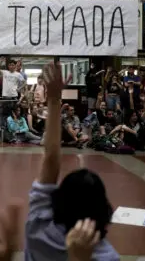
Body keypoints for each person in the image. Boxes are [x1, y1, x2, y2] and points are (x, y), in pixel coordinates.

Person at [25, 62, 119, 260]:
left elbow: (50, 159)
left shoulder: (39, 228)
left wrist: (53, 98)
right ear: (104, 209)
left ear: (59, 200)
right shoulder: (107, 257)